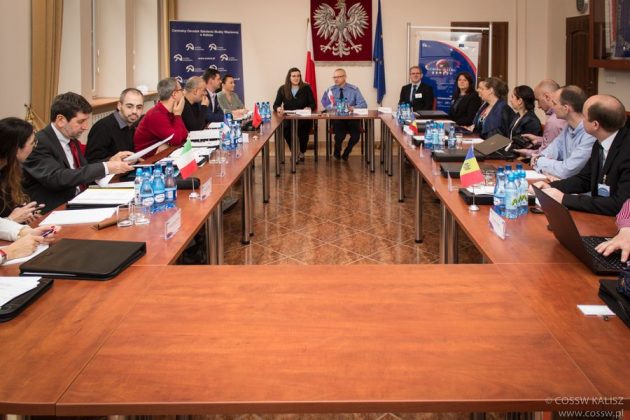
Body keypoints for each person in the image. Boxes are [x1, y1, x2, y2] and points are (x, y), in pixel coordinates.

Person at [22, 92, 135, 213]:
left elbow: (82, 170)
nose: (85, 127)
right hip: (55, 210)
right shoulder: (39, 143)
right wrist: (106, 167)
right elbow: (57, 178)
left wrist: (110, 161)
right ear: (60, 120)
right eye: (81, 122)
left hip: (81, 200)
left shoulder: (71, 139)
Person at [533, 94, 630, 216]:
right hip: (601, 216)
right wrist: (550, 186)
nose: (580, 120)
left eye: (583, 116)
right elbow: (585, 179)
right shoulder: (600, 142)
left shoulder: (626, 151)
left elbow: (620, 205)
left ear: (595, 125)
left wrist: (564, 199)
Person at [531, 85, 596, 180]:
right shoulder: (568, 127)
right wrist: (541, 161)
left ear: (565, 108)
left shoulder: (589, 134)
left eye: (554, 103)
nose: (552, 107)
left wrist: (538, 161)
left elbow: (566, 171)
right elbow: (548, 152)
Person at [0, 117, 44, 223]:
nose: (34, 147)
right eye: (32, 143)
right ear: (16, 149)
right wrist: (11, 220)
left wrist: (25, 214)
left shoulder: (9, 169)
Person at [85, 88, 144, 163]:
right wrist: (113, 160)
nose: (134, 111)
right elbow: (91, 162)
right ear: (119, 106)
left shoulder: (131, 125)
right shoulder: (102, 128)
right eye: (129, 106)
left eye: (139, 107)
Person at [133, 77, 188, 156]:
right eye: (181, 90)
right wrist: (178, 115)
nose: (183, 93)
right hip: (147, 160)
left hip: (162, 155)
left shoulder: (171, 111)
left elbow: (184, 135)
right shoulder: (156, 115)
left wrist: (177, 114)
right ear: (174, 94)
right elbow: (177, 141)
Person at [321, 68, 367, 161]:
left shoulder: (354, 89)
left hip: (351, 118)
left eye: (338, 77)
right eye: (334, 77)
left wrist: (353, 108)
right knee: (340, 135)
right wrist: (337, 107)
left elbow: (363, 105)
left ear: (345, 77)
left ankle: (347, 152)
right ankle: (337, 151)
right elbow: (325, 104)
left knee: (356, 136)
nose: (336, 79)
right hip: (338, 118)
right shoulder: (330, 90)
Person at [514, 79, 567, 158]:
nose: (538, 106)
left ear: (547, 97)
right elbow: (556, 141)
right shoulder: (559, 118)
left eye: (538, 100)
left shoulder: (553, 121)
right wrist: (538, 140)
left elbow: (545, 155)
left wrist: (526, 152)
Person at [273, 67, 316, 162]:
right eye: (294, 76)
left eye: (298, 76)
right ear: (289, 77)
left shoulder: (306, 87)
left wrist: (309, 108)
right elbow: (275, 105)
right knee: (286, 130)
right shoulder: (283, 88)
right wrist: (278, 108)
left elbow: (313, 104)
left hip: (303, 118)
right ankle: (295, 151)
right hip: (288, 118)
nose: (296, 78)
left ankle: (302, 152)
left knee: (303, 133)